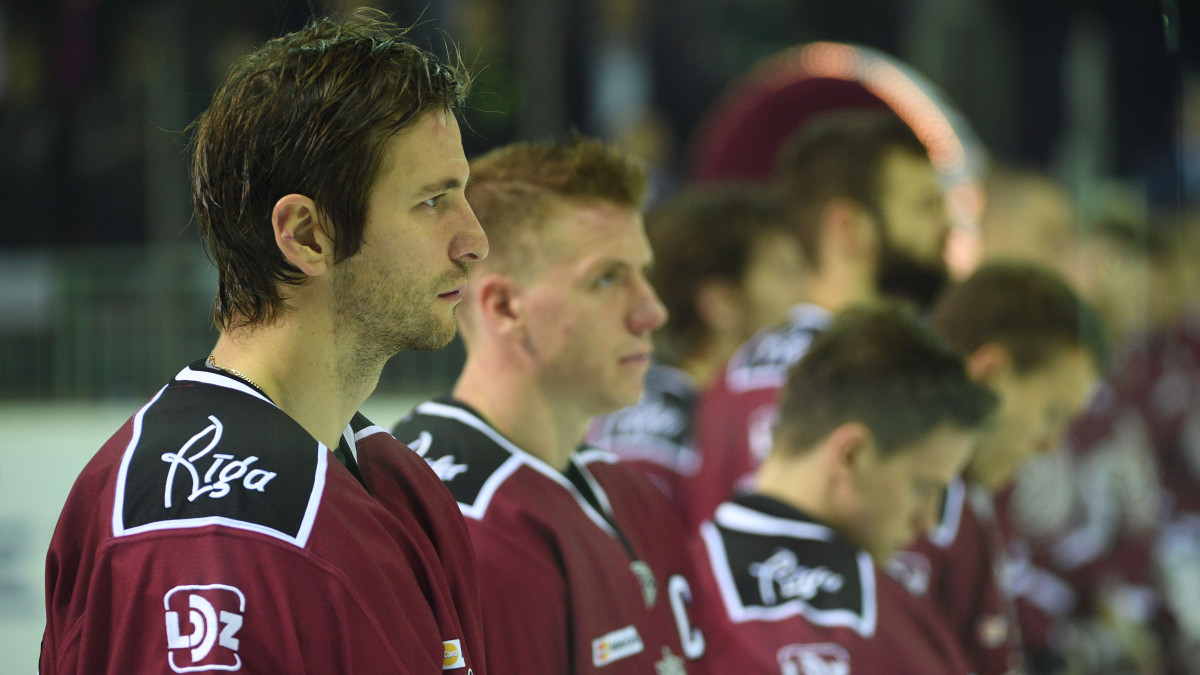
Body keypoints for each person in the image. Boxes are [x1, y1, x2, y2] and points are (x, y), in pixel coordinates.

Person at [41, 11, 490, 674]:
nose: (475, 240)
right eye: (432, 201)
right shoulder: (207, 531)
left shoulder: (401, 482)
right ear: (306, 235)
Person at [391, 137, 710, 674]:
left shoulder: (631, 495)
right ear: (505, 307)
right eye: (607, 279)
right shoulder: (446, 528)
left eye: (644, 274)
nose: (651, 312)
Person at [692, 304, 999, 674]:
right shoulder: (902, 631)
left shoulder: (672, 584)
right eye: (923, 487)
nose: (929, 521)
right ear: (851, 455)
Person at [683, 110, 951, 529]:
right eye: (925, 207)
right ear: (848, 227)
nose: (946, 227)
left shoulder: (738, 373)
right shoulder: (862, 378)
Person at [889, 262, 1103, 675]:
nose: (1050, 445)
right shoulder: (908, 507)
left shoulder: (979, 496)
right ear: (990, 374)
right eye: (1051, 414)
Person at [586, 186, 807, 504]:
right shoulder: (652, 415)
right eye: (784, 273)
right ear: (723, 303)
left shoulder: (749, 402)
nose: (806, 293)